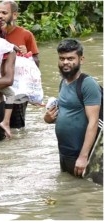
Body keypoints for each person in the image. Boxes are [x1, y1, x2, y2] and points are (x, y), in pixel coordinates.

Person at [44, 39, 100, 177]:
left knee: (84, 194)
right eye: (62, 58)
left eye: (70, 58)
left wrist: (84, 156)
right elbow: (67, 113)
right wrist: (48, 118)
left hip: (81, 153)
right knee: (68, 190)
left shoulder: (88, 84)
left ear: (81, 59)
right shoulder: (63, 82)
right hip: (64, 151)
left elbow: (93, 122)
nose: (65, 62)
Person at [0, 0, 40, 129]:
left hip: (19, 87)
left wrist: (26, 55)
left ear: (15, 15)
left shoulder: (26, 35)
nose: (0, 16)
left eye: (4, 13)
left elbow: (36, 62)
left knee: (17, 127)